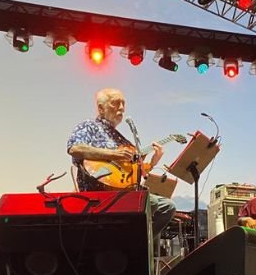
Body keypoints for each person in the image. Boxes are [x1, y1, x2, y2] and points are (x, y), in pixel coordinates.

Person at [67, 88, 176, 237]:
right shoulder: (88, 126)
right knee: (151, 203)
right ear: (101, 108)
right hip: (97, 194)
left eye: (123, 103)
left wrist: (152, 161)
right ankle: (133, 243)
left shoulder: (121, 139)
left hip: (123, 192)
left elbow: (133, 172)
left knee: (167, 206)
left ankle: (139, 243)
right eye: (115, 103)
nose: (121, 108)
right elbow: (74, 148)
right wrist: (113, 154)